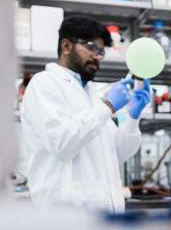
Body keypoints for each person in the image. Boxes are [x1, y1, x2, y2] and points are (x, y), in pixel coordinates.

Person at [20, 16, 151, 213]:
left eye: (101, 51)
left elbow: (119, 153)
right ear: (66, 46)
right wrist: (107, 105)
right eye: (91, 48)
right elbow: (61, 143)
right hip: (67, 217)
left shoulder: (92, 93)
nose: (98, 56)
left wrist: (133, 117)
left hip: (107, 216)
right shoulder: (44, 84)